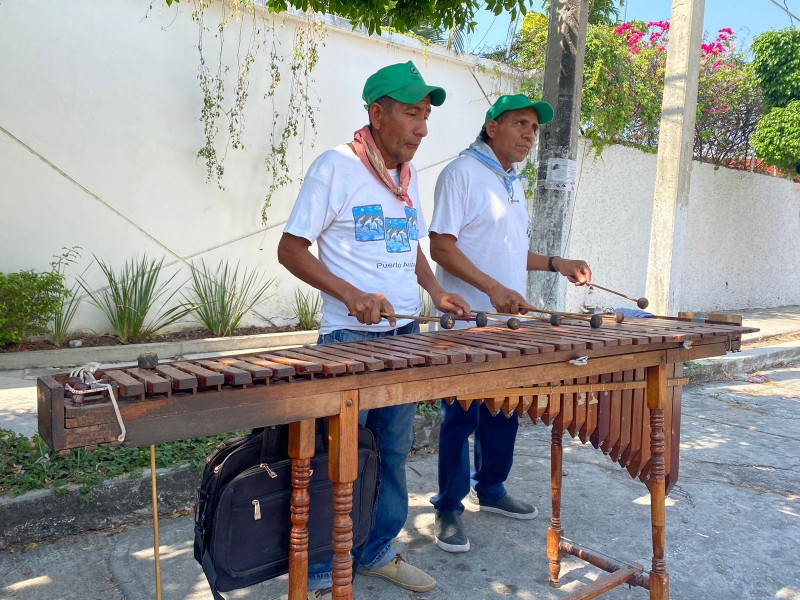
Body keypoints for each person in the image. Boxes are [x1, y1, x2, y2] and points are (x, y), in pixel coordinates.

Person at [277, 61, 470, 599]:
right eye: (412, 113)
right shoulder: (335, 168)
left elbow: (406, 247)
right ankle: (319, 569)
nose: (423, 128)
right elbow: (290, 248)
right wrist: (350, 295)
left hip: (406, 338)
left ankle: (378, 550)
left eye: (426, 115)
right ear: (377, 113)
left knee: (391, 451)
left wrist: (435, 292)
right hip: (350, 341)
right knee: (335, 461)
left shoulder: (405, 178)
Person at [427, 94, 592, 553]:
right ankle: (448, 507)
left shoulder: (511, 181)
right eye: (520, 123)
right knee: (460, 419)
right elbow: (441, 246)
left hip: (507, 324)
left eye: (534, 129)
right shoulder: (462, 173)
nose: (529, 135)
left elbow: (510, 250)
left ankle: (492, 489)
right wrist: (492, 289)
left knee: (505, 411)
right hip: (466, 322)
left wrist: (557, 262)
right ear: (491, 126)